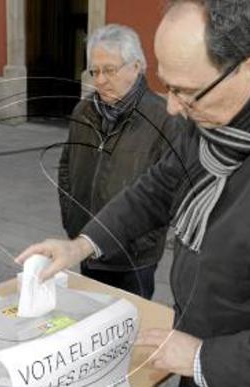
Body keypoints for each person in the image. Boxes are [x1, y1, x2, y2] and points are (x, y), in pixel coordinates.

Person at [17, 1, 250, 386]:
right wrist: (83, 244)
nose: (173, 108)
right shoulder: (223, 106)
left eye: (185, 91)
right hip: (196, 351)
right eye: (168, 87)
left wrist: (204, 358)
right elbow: (161, 183)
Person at [58, 24, 181, 299]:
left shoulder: (164, 118)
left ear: (136, 67)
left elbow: (171, 191)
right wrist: (73, 222)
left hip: (133, 258)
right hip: (86, 245)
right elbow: (66, 167)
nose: (100, 80)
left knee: (130, 329)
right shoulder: (83, 111)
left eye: (109, 70)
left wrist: (141, 241)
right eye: (95, 71)